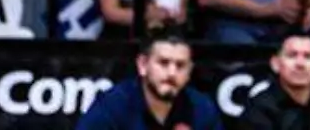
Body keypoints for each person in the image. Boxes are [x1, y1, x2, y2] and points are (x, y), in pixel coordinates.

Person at [75, 31, 222, 130]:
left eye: (180, 65)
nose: (172, 73)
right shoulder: (114, 105)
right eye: (163, 63)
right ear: (143, 65)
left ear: (189, 71)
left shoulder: (201, 108)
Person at [235, 33, 310, 130]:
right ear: (275, 64)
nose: (300, 64)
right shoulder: (259, 109)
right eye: (292, 55)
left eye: (308, 56)